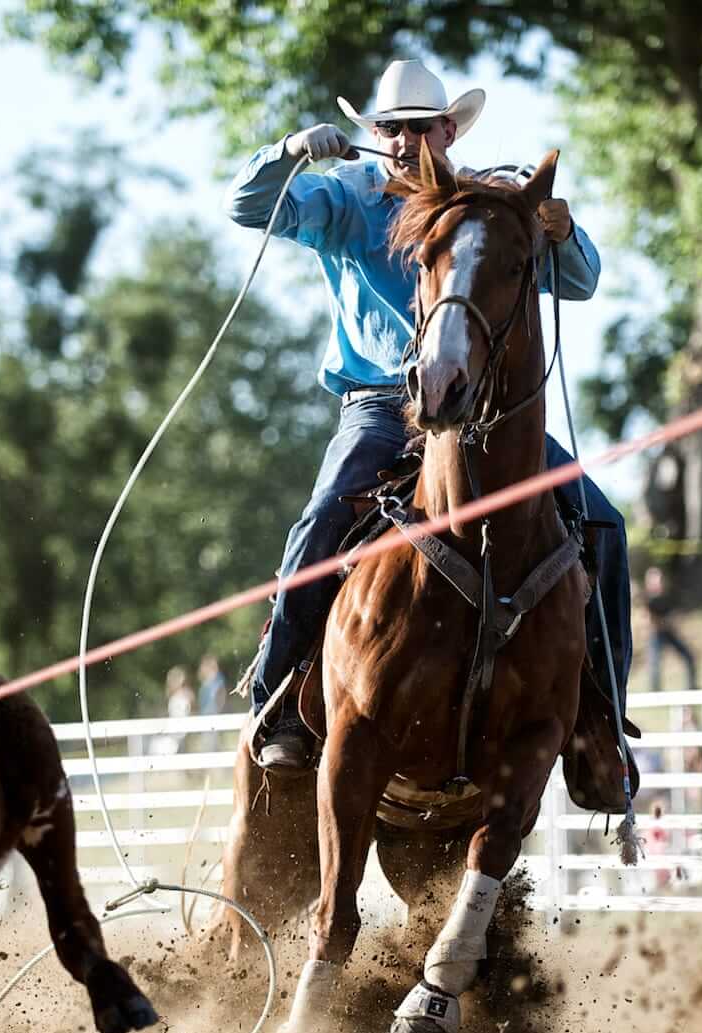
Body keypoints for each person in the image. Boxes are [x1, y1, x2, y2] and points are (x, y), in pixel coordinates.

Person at [224, 59, 631, 769]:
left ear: (449, 130)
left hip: (489, 414)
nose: (406, 142)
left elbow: (582, 281)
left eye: (420, 128)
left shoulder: (491, 208)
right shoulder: (349, 199)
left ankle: (602, 722)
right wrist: (288, 153)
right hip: (383, 405)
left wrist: (562, 235)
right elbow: (249, 208)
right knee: (323, 518)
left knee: (603, 525)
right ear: (375, 134)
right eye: (391, 129)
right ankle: (279, 697)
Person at [643, 566, 696, 692]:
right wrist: (665, 622)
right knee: (654, 663)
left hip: (669, 633)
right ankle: (654, 692)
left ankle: (691, 687)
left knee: (688, 657)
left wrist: (671, 621)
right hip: (656, 635)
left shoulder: (668, 597)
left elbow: (677, 614)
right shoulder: (648, 600)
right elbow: (649, 621)